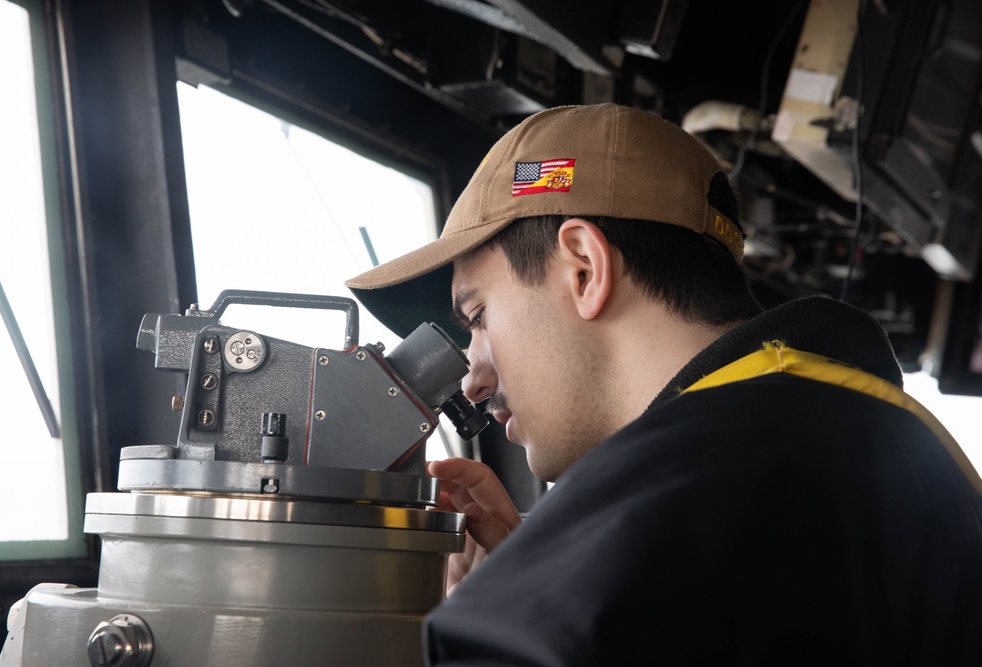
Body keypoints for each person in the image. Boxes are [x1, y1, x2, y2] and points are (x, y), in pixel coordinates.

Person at [346, 104, 982, 664]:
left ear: (585, 269)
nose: (475, 380)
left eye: (479, 318)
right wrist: (546, 573)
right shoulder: (890, 442)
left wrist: (532, 594)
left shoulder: (692, 477)